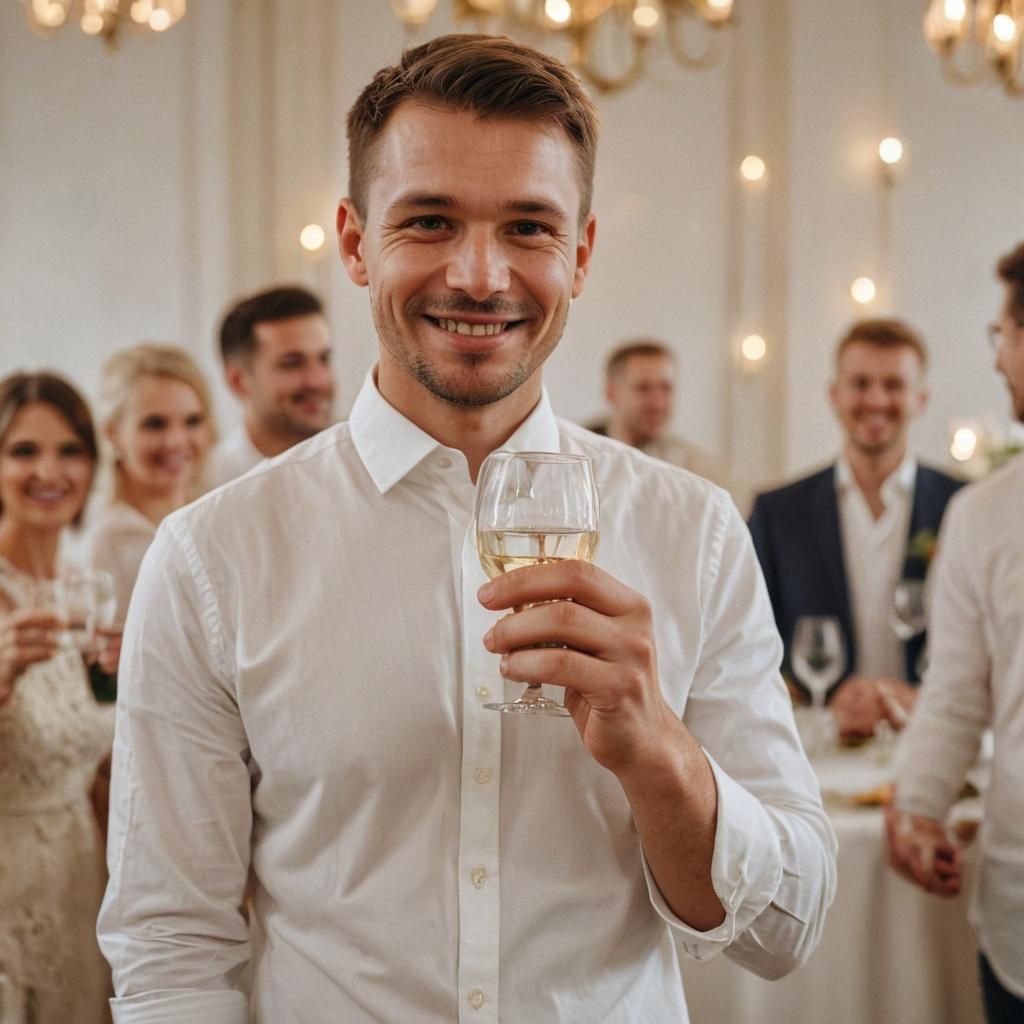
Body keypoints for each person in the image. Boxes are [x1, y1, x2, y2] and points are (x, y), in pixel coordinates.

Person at [99, 35, 836, 1022]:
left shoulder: (692, 529)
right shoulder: (209, 558)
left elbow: (783, 933)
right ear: (356, 243)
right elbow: (170, 945)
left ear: (579, 253)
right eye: (431, 220)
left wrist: (656, 751)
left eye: (528, 227)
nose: (480, 276)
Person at [887, 242, 1024, 1024]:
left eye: (1002, 335)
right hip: (1016, 918)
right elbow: (955, 696)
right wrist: (918, 805)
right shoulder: (982, 516)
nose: (1000, 359)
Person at [747, 319, 963, 738]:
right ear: (835, 394)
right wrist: (818, 698)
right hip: (817, 744)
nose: (876, 399)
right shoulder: (777, 512)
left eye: (894, 385)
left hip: (934, 738)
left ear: (921, 398)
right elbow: (749, 643)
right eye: (860, 383)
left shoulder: (960, 506)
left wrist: (927, 698)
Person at [0, 371, 115, 1023]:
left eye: (70, 450)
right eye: (23, 451)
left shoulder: (86, 592)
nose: (50, 471)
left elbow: (99, 759)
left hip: (82, 882)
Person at [86, 343, 216, 620]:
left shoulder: (218, 516)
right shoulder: (106, 543)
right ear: (113, 434)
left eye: (192, 421)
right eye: (155, 424)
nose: (176, 442)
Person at [204, 285, 334, 487]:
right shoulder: (208, 484)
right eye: (292, 363)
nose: (317, 381)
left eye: (323, 359)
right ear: (238, 382)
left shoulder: (359, 469)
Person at [588, 339, 729, 485]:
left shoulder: (695, 468)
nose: (657, 403)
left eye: (666, 388)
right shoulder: (578, 453)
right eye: (643, 388)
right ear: (611, 393)